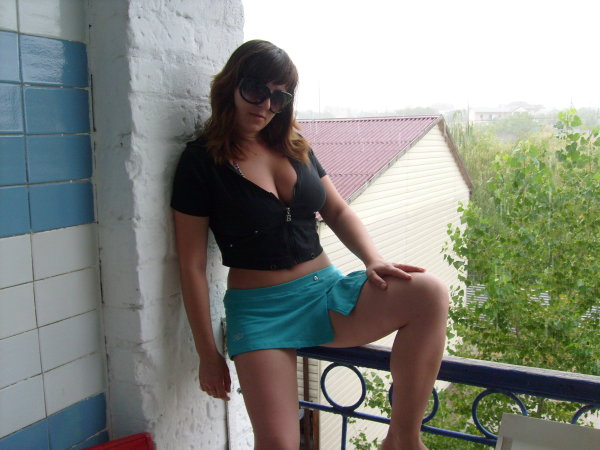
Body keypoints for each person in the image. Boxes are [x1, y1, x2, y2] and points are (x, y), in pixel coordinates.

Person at [171, 39, 449, 450]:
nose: (266, 106)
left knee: (429, 293)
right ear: (231, 85)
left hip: (325, 293)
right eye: (256, 90)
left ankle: (402, 438)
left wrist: (373, 259)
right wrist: (207, 353)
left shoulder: (294, 144)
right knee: (279, 444)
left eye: (279, 97)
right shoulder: (200, 162)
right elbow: (191, 266)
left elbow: (336, 210)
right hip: (262, 314)